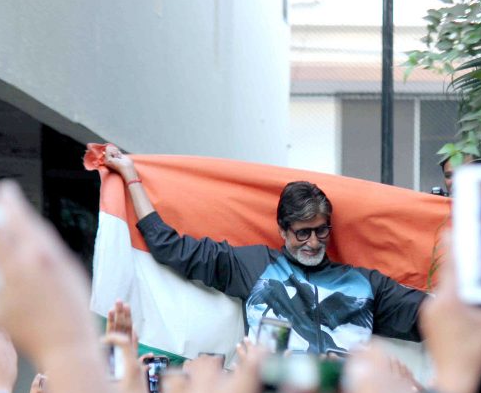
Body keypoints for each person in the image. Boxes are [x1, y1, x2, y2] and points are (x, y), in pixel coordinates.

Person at [102, 147, 428, 354]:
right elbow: (168, 246)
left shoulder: (365, 285)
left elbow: (436, 318)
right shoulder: (255, 266)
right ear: (283, 231)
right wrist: (131, 177)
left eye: (321, 231)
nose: (313, 242)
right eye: (302, 233)